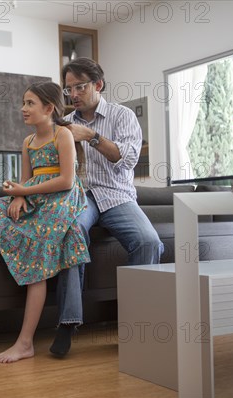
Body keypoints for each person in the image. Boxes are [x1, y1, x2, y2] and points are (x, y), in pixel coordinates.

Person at [0, 81, 90, 363]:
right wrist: (18, 198)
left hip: (62, 198)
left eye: (30, 103)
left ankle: (25, 342)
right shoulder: (28, 142)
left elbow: (66, 180)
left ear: (49, 108)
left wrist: (23, 192)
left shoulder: (63, 135)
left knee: (38, 246)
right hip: (35, 195)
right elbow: (27, 179)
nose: (23, 109)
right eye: (23, 103)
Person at [50, 57, 164, 356]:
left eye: (80, 87)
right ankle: (68, 322)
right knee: (71, 231)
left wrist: (91, 135)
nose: (73, 94)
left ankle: (136, 323)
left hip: (117, 196)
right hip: (81, 196)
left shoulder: (122, 116)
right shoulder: (64, 121)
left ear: (98, 85)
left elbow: (127, 160)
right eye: (68, 89)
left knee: (148, 241)